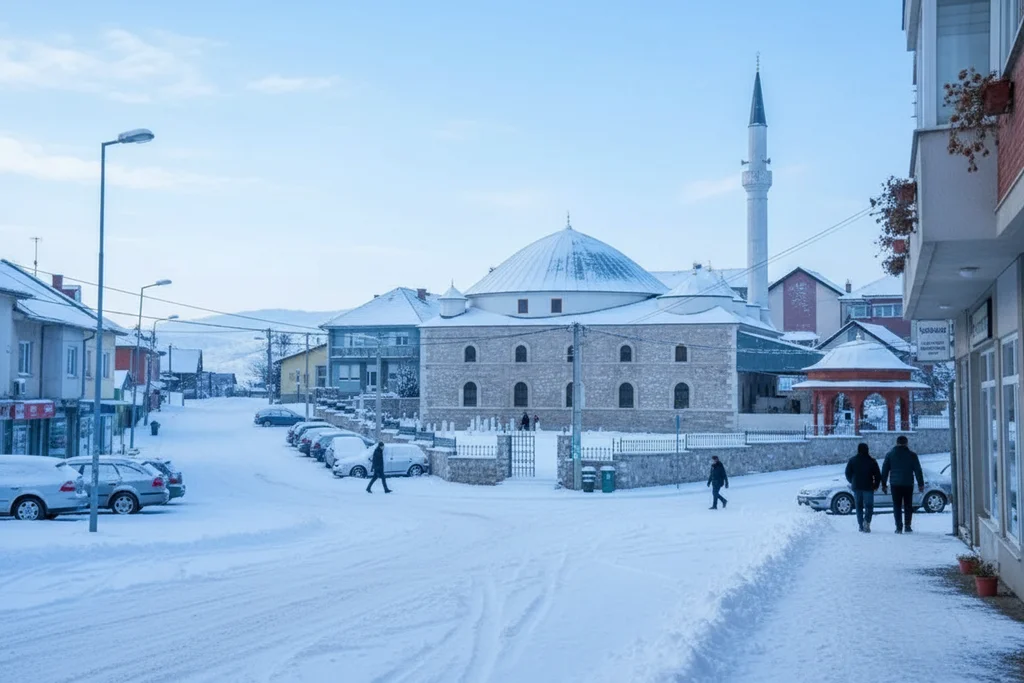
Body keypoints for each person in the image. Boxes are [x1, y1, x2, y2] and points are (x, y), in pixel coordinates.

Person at [881, 435, 924, 533]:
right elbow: (918, 470)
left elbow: (885, 470)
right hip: (908, 483)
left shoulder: (890, 455)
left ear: (897, 443)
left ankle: (898, 527)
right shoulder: (912, 455)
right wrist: (921, 484)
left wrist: (883, 484)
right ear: (906, 443)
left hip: (895, 484)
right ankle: (908, 526)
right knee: (908, 505)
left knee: (897, 505)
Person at [845, 442, 882, 533]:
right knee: (869, 506)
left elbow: (847, 473)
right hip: (868, 487)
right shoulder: (872, 461)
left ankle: (861, 525)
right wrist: (876, 485)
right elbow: (877, 475)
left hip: (857, 487)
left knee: (859, 506)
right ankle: (867, 521)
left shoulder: (852, 460)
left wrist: (852, 481)